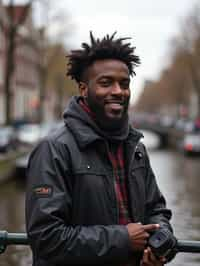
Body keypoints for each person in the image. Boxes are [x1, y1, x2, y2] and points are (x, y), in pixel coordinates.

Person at [26, 32, 174, 266]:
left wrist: (159, 242)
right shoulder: (54, 150)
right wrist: (123, 238)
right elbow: (46, 237)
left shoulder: (136, 149)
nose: (118, 91)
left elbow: (157, 210)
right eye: (106, 83)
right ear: (84, 89)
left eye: (124, 84)